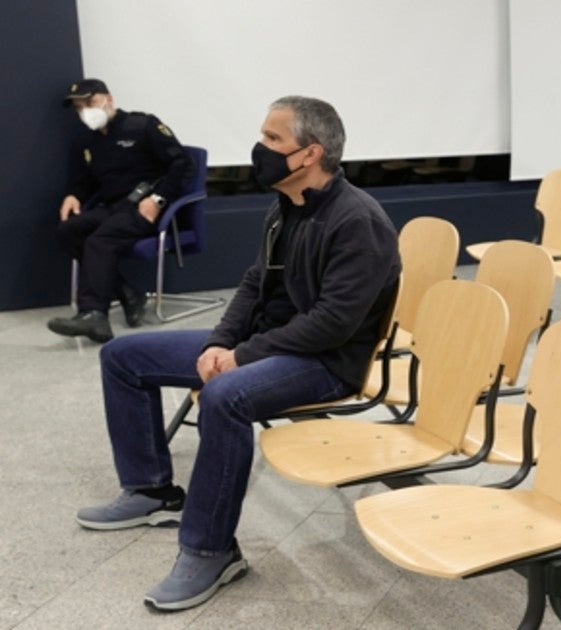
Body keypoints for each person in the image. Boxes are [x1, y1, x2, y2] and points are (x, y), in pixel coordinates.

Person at [74, 96, 400, 612]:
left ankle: (211, 549)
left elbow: (334, 324)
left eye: (273, 140)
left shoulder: (358, 221)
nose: (260, 148)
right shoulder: (285, 207)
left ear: (310, 154)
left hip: (327, 363)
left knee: (225, 395)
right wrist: (218, 343)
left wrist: (241, 357)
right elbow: (253, 286)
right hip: (269, 346)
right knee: (123, 357)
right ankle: (150, 490)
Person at [49, 79, 196, 343]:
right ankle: (128, 293)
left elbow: (183, 165)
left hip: (146, 208)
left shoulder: (142, 126)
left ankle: (94, 314)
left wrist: (159, 199)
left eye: (90, 103)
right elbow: (87, 180)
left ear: (109, 99)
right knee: (68, 231)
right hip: (113, 208)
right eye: (79, 107)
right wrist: (74, 195)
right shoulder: (89, 141)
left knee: (98, 241)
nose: (85, 111)